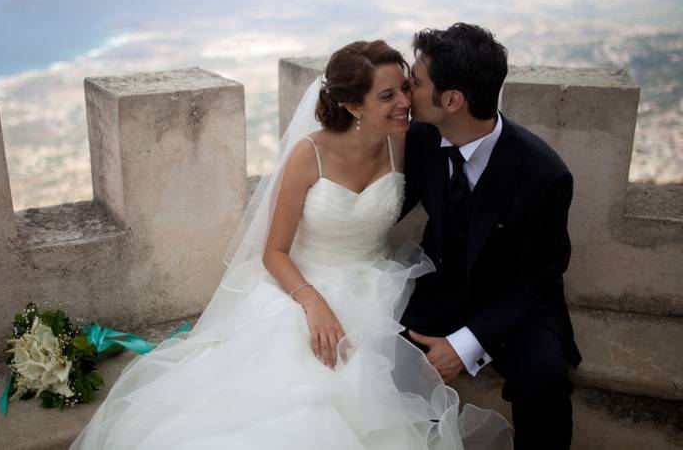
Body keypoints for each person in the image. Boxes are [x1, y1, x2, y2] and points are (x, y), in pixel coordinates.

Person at [71, 40, 512, 449]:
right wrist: (312, 302)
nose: (404, 102)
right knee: (298, 383)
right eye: (387, 96)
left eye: (404, 88)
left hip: (379, 283)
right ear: (351, 105)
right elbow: (274, 251)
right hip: (301, 283)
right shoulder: (310, 154)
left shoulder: (407, 141)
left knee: (364, 377)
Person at [399, 23, 582, 450]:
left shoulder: (544, 174)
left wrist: (463, 346)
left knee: (545, 378)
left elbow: (540, 283)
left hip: (513, 304)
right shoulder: (421, 139)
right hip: (439, 292)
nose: (407, 90)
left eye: (416, 81)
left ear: (451, 100)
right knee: (372, 352)